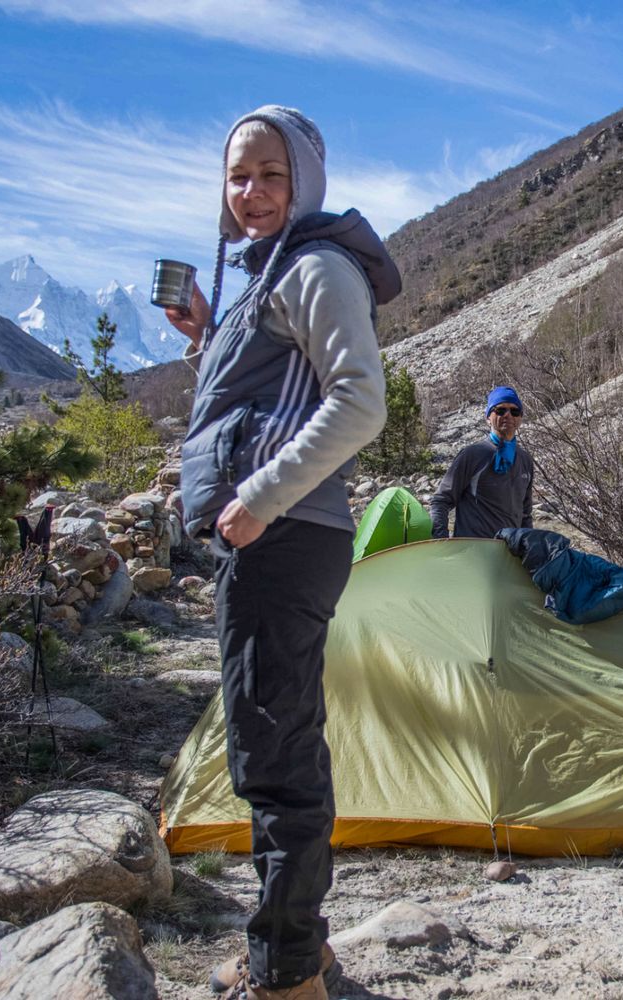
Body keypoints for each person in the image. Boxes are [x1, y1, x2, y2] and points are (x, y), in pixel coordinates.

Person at [164, 105, 399, 1000]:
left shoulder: (315, 264)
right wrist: (203, 345)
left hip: (285, 534)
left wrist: (256, 503)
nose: (252, 193)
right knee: (282, 744)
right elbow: (263, 407)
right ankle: (304, 946)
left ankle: (287, 972)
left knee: (273, 759)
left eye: (270, 174)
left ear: (304, 177)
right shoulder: (266, 275)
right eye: (238, 177)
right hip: (278, 535)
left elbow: (360, 401)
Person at [428, 386, 535, 539]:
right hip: (473, 553)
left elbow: (525, 514)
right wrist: (441, 542)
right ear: (488, 417)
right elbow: (441, 500)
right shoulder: (473, 454)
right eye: (500, 410)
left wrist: (529, 549)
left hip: (509, 556)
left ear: (520, 418)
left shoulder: (525, 460)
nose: (508, 415)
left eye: (514, 411)